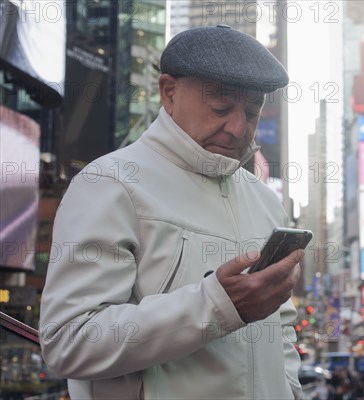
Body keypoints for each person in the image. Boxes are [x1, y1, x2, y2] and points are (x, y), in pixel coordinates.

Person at [39, 25, 304, 399]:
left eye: (252, 110)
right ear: (168, 92)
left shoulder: (265, 200)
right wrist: (216, 305)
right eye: (220, 106)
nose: (237, 126)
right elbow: (69, 341)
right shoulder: (108, 183)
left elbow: (282, 326)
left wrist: (290, 389)